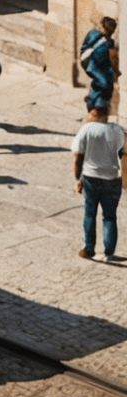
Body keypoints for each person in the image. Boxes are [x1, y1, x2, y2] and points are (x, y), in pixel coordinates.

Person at [73, 99, 126, 261]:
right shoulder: (118, 131)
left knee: (89, 214)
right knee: (109, 216)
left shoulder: (87, 129)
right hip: (112, 178)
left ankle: (89, 247)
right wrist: (125, 179)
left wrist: (78, 177)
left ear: (93, 113)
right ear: (107, 114)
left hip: (91, 178)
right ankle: (109, 251)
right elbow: (125, 156)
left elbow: (78, 156)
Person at [81, 18, 119, 112]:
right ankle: (96, 106)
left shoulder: (94, 34)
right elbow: (113, 60)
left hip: (90, 63)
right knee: (103, 84)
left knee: (100, 84)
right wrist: (116, 72)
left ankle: (94, 105)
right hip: (93, 65)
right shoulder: (108, 44)